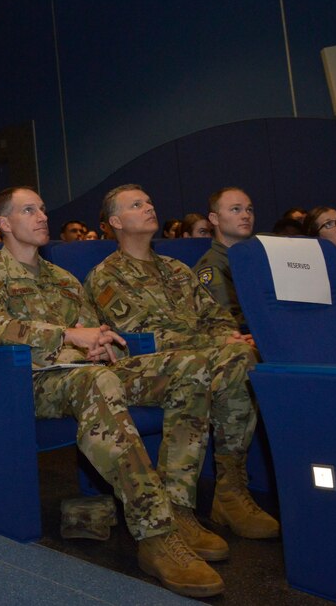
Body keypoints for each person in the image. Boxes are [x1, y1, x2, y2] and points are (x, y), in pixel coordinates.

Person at [0, 186, 224, 598]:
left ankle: (178, 505)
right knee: (97, 380)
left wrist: (97, 340)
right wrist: (68, 336)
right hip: (27, 383)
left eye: (43, 209)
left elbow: (89, 331)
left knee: (190, 369)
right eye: (30, 210)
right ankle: (155, 533)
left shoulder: (63, 279)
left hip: (83, 370)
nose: (43, 216)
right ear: (5, 224)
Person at [85, 185, 278, 547]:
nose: (149, 207)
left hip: (192, 359)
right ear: (115, 222)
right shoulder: (107, 276)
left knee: (242, 357)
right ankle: (177, 506)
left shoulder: (176, 270)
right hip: (138, 367)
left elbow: (214, 317)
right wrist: (215, 343)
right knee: (199, 364)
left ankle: (231, 490)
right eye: (136, 205)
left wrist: (229, 338)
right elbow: (146, 336)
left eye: (150, 201)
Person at [194, 188, 254, 329]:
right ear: (214, 219)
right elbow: (230, 319)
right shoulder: (212, 266)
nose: (246, 215)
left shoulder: (255, 258)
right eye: (235, 209)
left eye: (249, 210)